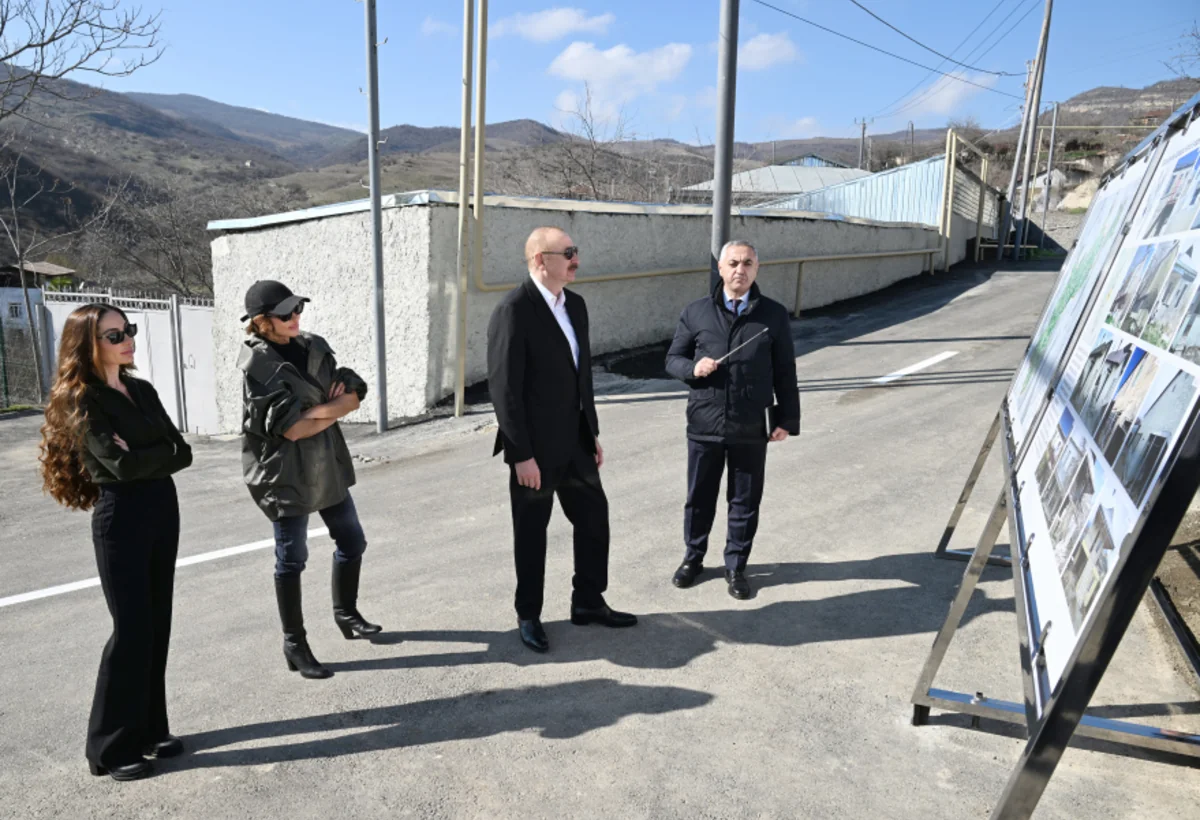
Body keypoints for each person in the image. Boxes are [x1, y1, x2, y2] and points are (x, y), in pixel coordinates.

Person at [38, 303, 193, 781]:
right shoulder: (80, 399)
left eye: (128, 330)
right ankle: (108, 746)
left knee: (158, 624)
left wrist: (143, 453)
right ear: (88, 344)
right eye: (114, 335)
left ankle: (150, 730)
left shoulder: (141, 389)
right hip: (120, 518)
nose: (127, 340)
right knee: (131, 631)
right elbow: (119, 466)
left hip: (162, 509)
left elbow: (182, 453)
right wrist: (154, 453)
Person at [487, 226, 637, 653]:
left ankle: (588, 601)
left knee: (594, 520)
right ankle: (528, 614)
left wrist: (591, 433)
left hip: (575, 442)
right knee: (532, 533)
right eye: (568, 253)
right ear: (540, 260)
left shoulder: (576, 305)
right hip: (534, 451)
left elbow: (580, 377)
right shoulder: (514, 310)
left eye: (576, 251)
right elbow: (504, 390)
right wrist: (520, 455)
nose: (576, 260)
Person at [239, 280, 379, 680]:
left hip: (326, 463)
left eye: (298, 307)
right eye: (286, 313)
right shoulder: (258, 366)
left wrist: (323, 410)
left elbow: (353, 394)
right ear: (262, 322)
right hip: (284, 473)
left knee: (353, 541)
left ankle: (346, 613)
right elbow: (292, 430)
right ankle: (294, 643)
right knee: (292, 560)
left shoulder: (313, 346)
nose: (295, 317)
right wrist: (336, 408)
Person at [665, 240, 801, 600]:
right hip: (704, 423)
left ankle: (736, 566)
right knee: (699, 498)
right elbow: (672, 359)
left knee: (744, 500)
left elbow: (785, 370)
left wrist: (786, 418)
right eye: (734, 263)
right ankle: (693, 558)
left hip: (750, 424)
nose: (741, 270)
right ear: (721, 269)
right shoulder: (696, 312)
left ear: (757, 269)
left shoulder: (772, 314)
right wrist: (693, 368)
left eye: (748, 263)